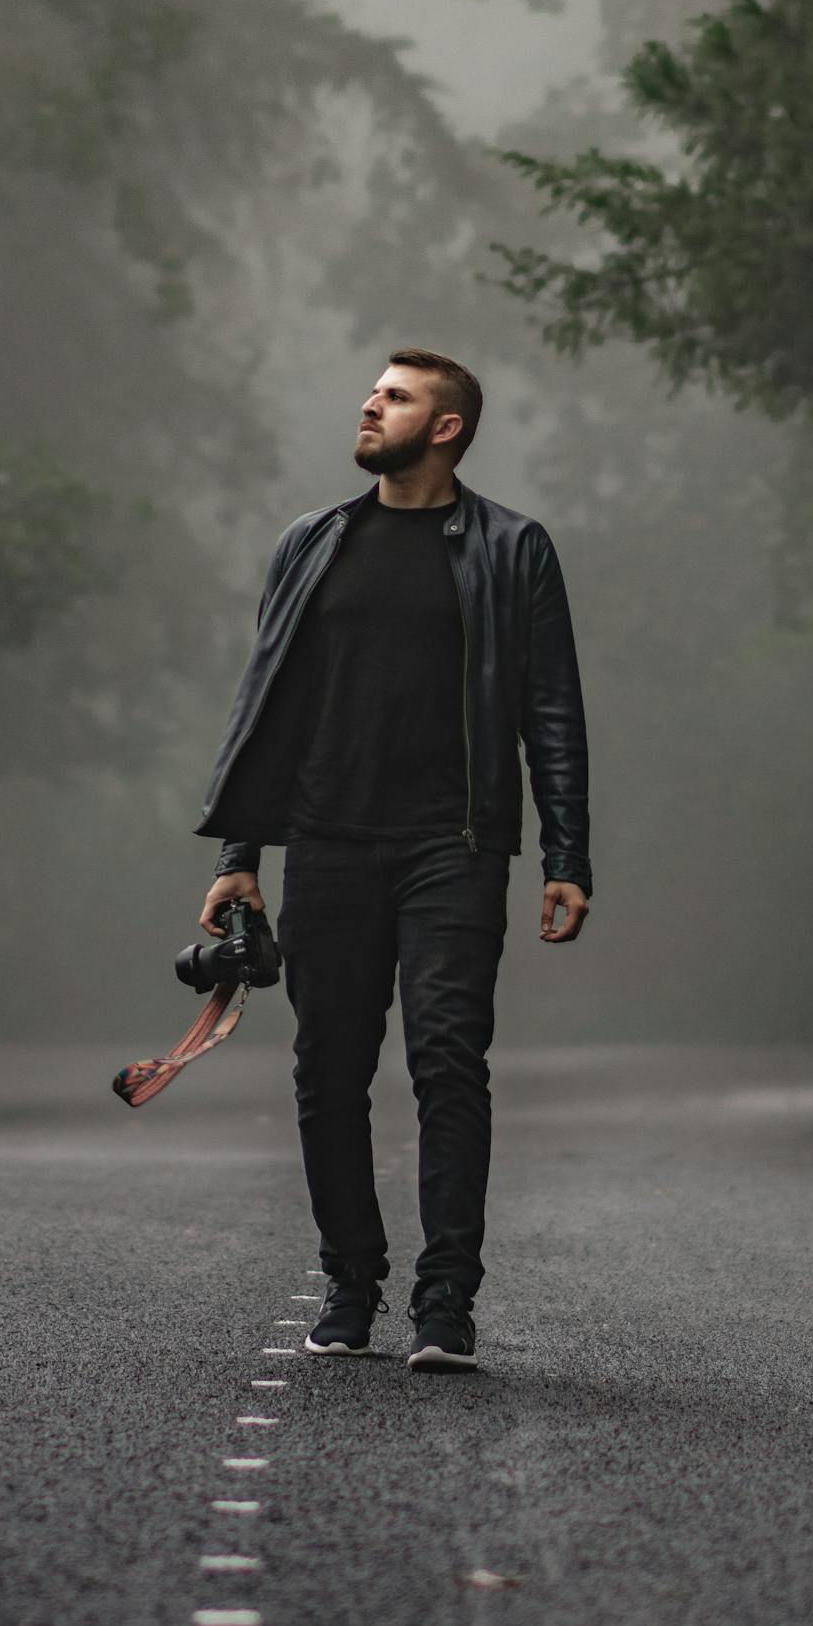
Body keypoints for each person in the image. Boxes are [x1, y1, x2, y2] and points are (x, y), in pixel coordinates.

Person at [195, 348, 591, 1373]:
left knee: (448, 1060)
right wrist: (242, 852)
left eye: (398, 397)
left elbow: (551, 707)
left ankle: (446, 1302)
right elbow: (266, 703)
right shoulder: (313, 543)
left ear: (447, 427)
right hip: (327, 842)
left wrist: (566, 853)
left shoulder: (512, 548)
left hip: (452, 845)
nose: (372, 405)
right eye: (373, 393)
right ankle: (351, 1283)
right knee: (326, 1070)